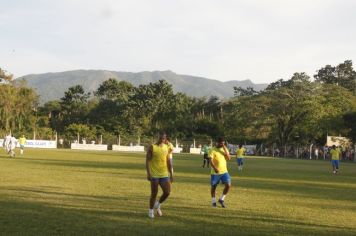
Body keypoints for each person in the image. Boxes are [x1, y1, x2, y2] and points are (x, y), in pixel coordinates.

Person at [146, 133, 174, 219]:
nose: (162, 140)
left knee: (167, 192)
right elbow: (147, 161)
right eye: (160, 138)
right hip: (154, 174)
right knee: (154, 194)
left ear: (165, 140)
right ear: (158, 138)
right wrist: (148, 173)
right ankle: (150, 211)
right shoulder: (152, 147)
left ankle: (158, 204)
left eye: (163, 139)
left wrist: (171, 174)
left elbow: (169, 161)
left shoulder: (167, 148)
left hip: (164, 174)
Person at [209, 137, 231, 208]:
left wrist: (224, 149)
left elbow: (229, 158)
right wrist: (215, 168)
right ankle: (213, 202)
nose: (223, 144)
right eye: (221, 143)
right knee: (214, 187)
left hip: (224, 171)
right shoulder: (212, 150)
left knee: (228, 185)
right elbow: (211, 161)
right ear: (217, 142)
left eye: (224, 143)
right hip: (215, 173)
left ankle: (221, 199)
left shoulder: (224, 149)